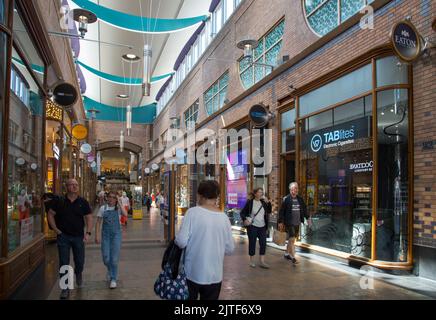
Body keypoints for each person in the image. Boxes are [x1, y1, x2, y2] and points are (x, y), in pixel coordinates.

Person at [175, 180, 234, 300]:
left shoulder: (192, 213)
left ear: (200, 195)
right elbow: (230, 249)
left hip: (192, 272)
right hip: (215, 275)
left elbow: (181, 242)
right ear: (216, 196)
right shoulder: (224, 218)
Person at [47, 179, 93, 299]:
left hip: (78, 237)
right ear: (66, 187)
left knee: (80, 261)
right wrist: (56, 230)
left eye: (76, 185)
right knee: (64, 262)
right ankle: (65, 288)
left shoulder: (83, 202)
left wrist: (88, 233)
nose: (74, 187)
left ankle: (78, 273)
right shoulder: (59, 201)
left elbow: (89, 217)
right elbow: (50, 214)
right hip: (64, 237)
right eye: (72, 185)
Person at [95, 190, 128, 289]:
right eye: (110, 197)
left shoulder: (117, 209)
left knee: (114, 259)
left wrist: (120, 202)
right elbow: (98, 222)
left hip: (116, 235)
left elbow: (125, 214)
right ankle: (110, 270)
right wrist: (97, 235)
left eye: (114, 197)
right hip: (105, 236)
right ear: (107, 197)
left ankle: (113, 278)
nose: (112, 199)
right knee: (106, 258)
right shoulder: (102, 208)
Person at [240, 187, 272, 268]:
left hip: (262, 226)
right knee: (252, 243)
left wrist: (268, 203)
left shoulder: (263, 203)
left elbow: (269, 211)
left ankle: (262, 261)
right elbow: (242, 213)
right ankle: (251, 260)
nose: (261, 194)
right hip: (252, 226)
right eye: (259, 192)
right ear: (255, 194)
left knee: (263, 243)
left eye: (261, 192)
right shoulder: (250, 202)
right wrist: (244, 220)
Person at [278, 182, 308, 265]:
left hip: (297, 222)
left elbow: (304, 209)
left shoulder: (300, 199)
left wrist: (308, 218)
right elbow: (281, 211)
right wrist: (280, 221)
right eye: (294, 188)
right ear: (290, 190)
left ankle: (286, 254)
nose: (295, 190)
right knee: (291, 238)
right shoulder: (286, 199)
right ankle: (293, 257)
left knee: (292, 239)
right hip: (289, 222)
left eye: (296, 188)